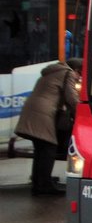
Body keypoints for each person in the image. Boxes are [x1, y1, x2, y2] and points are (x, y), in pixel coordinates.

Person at [15, 58, 81, 195]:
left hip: (32, 110)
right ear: (76, 70)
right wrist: (83, 111)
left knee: (41, 148)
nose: (79, 77)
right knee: (48, 148)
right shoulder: (67, 73)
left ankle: (38, 181)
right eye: (79, 74)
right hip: (42, 112)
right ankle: (44, 186)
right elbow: (71, 98)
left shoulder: (51, 72)